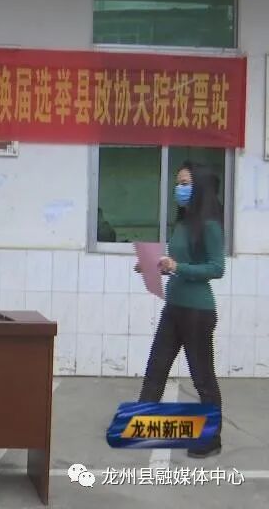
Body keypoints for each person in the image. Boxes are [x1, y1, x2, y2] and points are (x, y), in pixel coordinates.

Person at [137, 161, 224, 458]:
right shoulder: (183, 223)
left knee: (202, 377)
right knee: (156, 367)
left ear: (199, 187)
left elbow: (216, 268)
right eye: (178, 183)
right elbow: (178, 265)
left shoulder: (210, 225)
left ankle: (211, 439)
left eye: (185, 184)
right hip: (174, 306)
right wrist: (154, 266)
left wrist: (178, 266)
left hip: (198, 312)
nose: (179, 189)